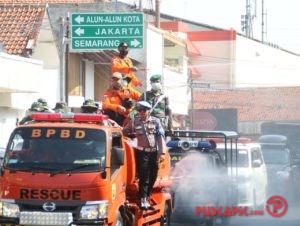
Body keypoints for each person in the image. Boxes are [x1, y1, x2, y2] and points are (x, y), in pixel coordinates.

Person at [122, 101, 165, 210]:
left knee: (153, 176)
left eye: (144, 110)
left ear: (148, 111)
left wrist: (162, 152)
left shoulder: (156, 122)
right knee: (144, 176)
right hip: (142, 153)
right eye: (139, 110)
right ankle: (143, 200)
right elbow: (124, 131)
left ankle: (147, 197)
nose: (142, 113)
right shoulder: (134, 122)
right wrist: (131, 136)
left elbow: (160, 138)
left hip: (154, 152)